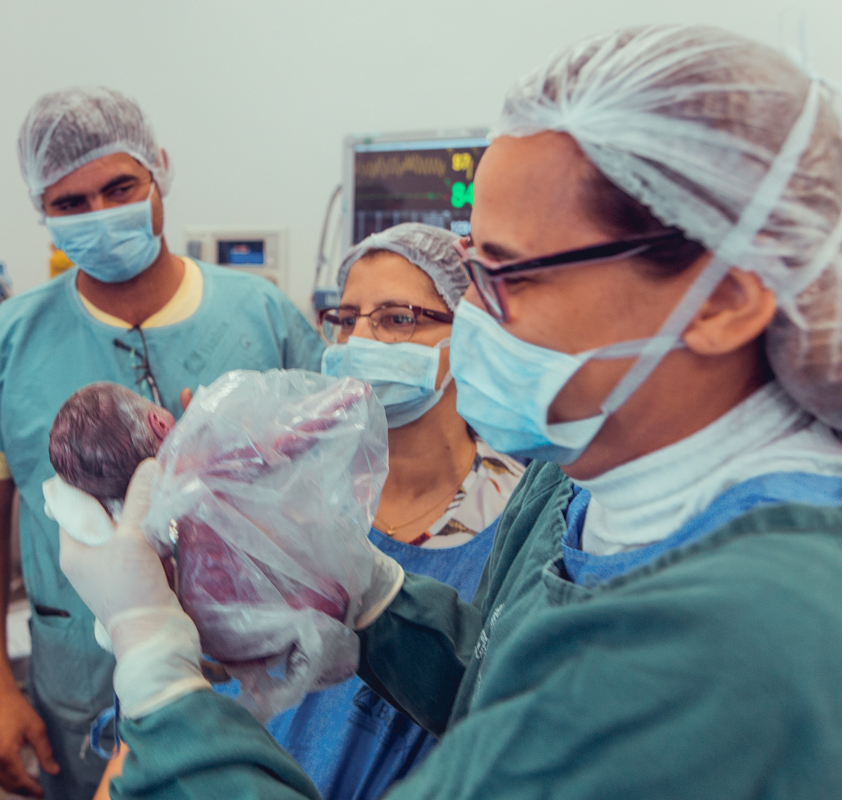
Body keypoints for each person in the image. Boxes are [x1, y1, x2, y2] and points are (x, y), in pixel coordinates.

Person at [58, 25, 842, 798]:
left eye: (510, 277)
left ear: (725, 301)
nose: (472, 319)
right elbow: (497, 683)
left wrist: (156, 669)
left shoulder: (738, 636)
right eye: (471, 267)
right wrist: (363, 591)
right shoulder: (586, 479)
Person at [0, 86, 325, 799]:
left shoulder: (262, 316)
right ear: (42, 211)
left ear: (161, 173)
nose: (100, 215)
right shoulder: (10, 341)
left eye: (120, 188)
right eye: (70, 203)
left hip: (257, 669)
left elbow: (328, 488)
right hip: (82, 682)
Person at [94, 223, 525, 800]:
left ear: (470, 332)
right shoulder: (279, 485)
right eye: (345, 319)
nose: (359, 340)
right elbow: (172, 697)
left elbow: (503, 708)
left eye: (398, 318)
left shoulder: (519, 516)